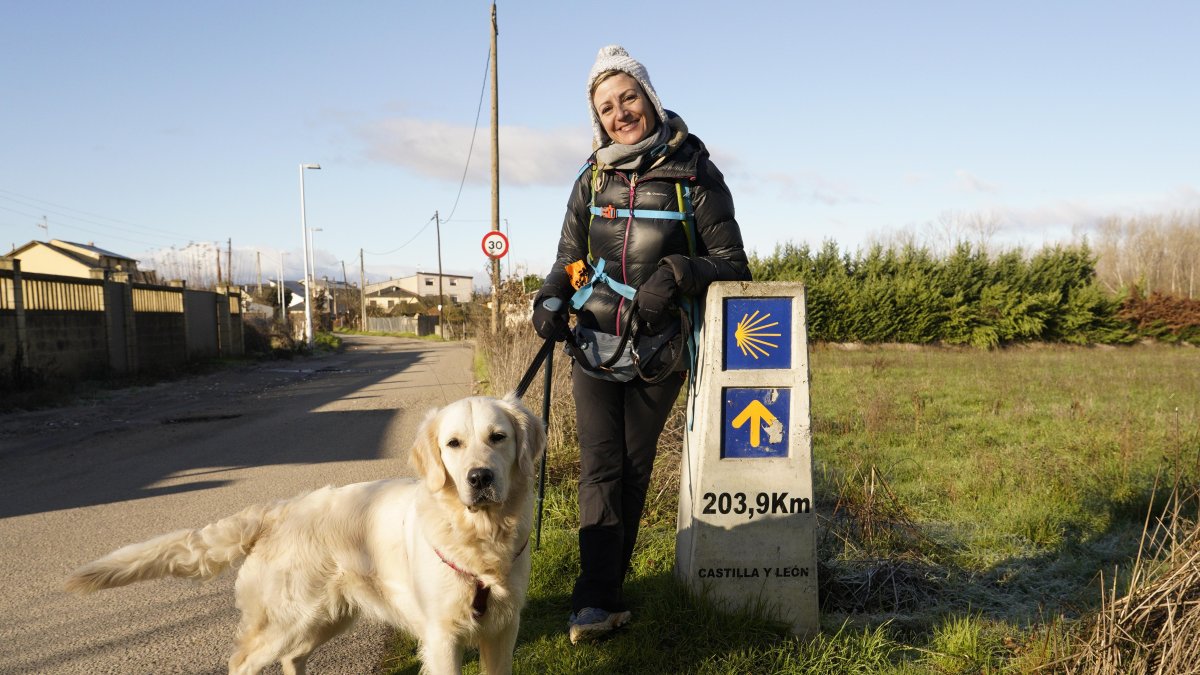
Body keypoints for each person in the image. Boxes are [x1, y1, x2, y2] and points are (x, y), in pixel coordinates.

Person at [532, 45, 751, 644]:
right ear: (596, 117)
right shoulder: (592, 176)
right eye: (607, 106)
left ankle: (607, 587)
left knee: (630, 470)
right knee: (599, 469)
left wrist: (679, 272)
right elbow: (567, 258)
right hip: (593, 345)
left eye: (628, 97)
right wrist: (549, 296)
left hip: (661, 351)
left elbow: (733, 264)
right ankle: (595, 599)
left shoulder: (696, 173)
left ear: (649, 98)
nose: (620, 112)